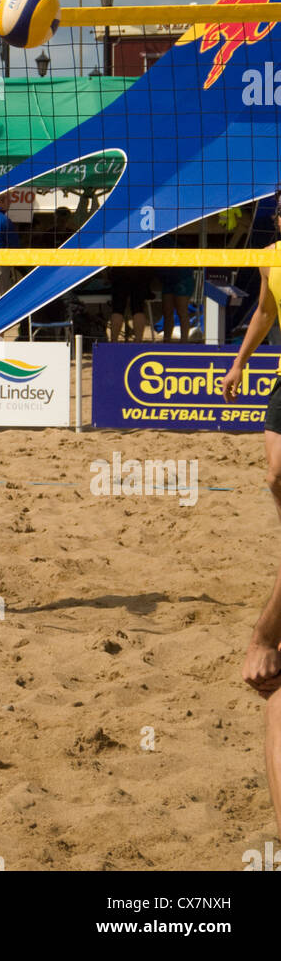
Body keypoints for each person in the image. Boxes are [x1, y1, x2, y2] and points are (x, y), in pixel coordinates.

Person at [222, 203, 281, 837]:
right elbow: (265, 310)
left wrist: (263, 638)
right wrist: (239, 362)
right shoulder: (271, 257)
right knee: (272, 475)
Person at [108, 267, 150, 342]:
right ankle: (138, 341)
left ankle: (113, 342)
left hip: (120, 269)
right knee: (138, 308)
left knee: (118, 309)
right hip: (141, 269)